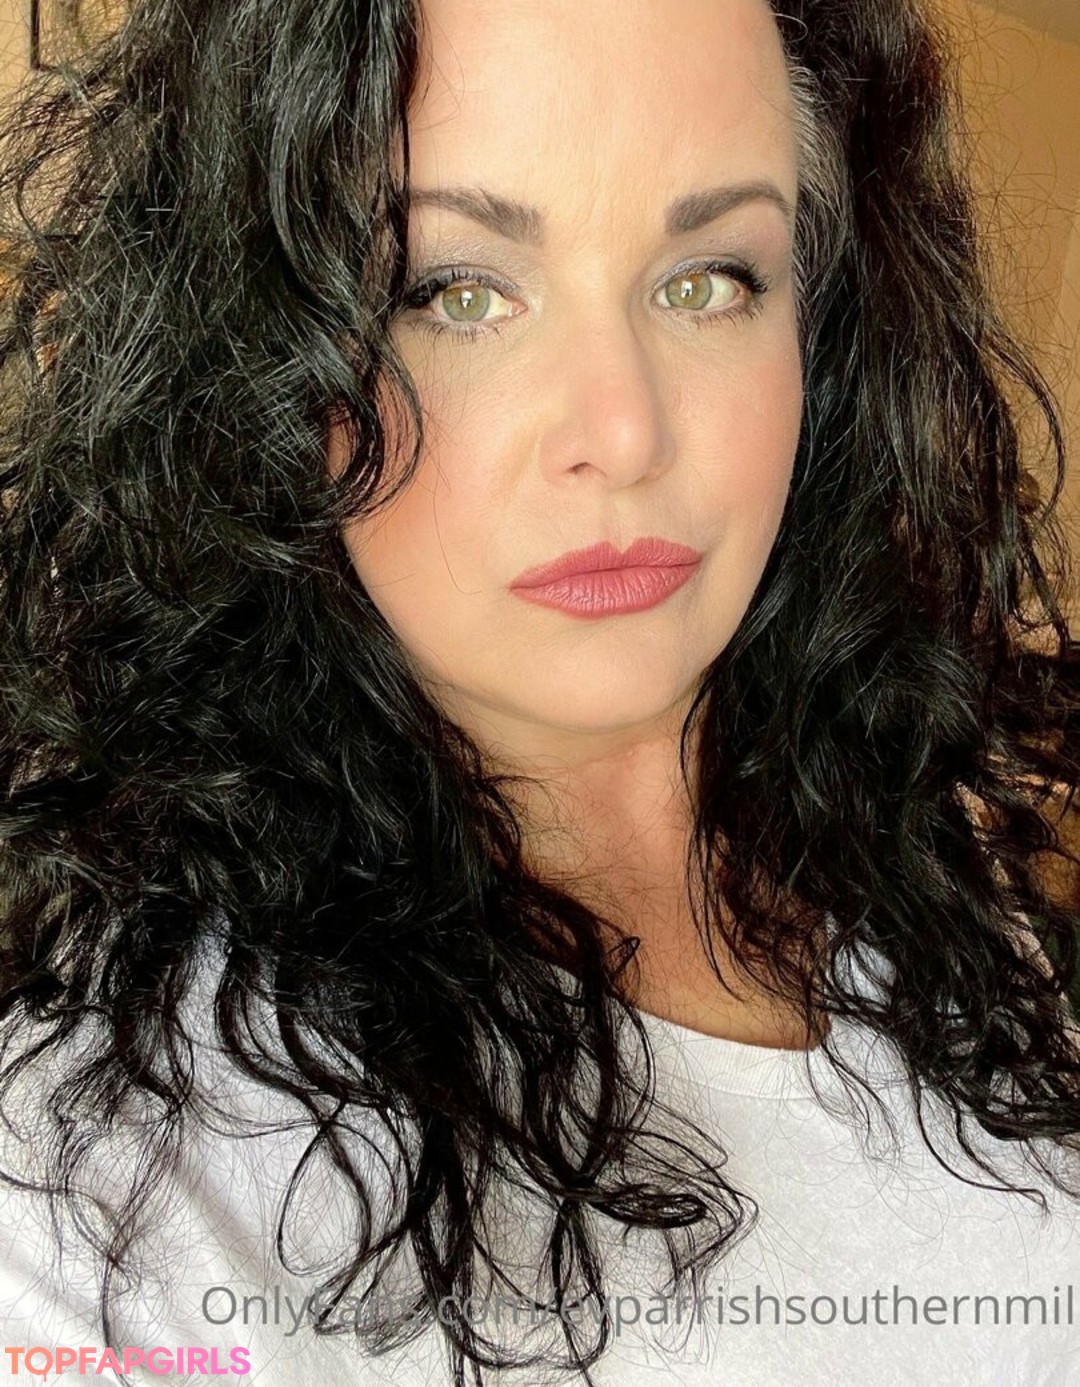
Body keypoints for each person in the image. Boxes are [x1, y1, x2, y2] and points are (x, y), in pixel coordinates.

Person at [0, 0, 1078, 1382]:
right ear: (263, 358)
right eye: (457, 291)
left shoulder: (920, 860)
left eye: (710, 279)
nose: (624, 431)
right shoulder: (101, 1208)